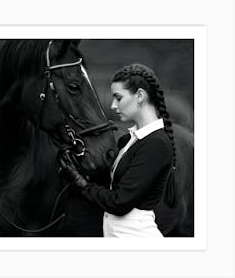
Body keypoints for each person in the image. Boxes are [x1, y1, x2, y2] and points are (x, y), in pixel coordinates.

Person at [59, 63, 177, 237]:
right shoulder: (128, 140)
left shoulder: (156, 144)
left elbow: (119, 202)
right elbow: (111, 186)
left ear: (140, 96)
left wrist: (82, 183)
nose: (113, 105)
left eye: (118, 97)